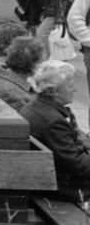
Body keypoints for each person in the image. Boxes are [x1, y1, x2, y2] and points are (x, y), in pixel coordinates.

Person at [20, 60, 90, 202]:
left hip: (54, 180)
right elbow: (77, 165)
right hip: (63, 188)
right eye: (70, 86)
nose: (75, 89)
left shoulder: (35, 107)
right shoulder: (53, 121)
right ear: (54, 91)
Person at [0, 36, 43, 112]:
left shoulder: (4, 73)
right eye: (41, 61)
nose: (43, 64)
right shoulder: (13, 94)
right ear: (33, 63)